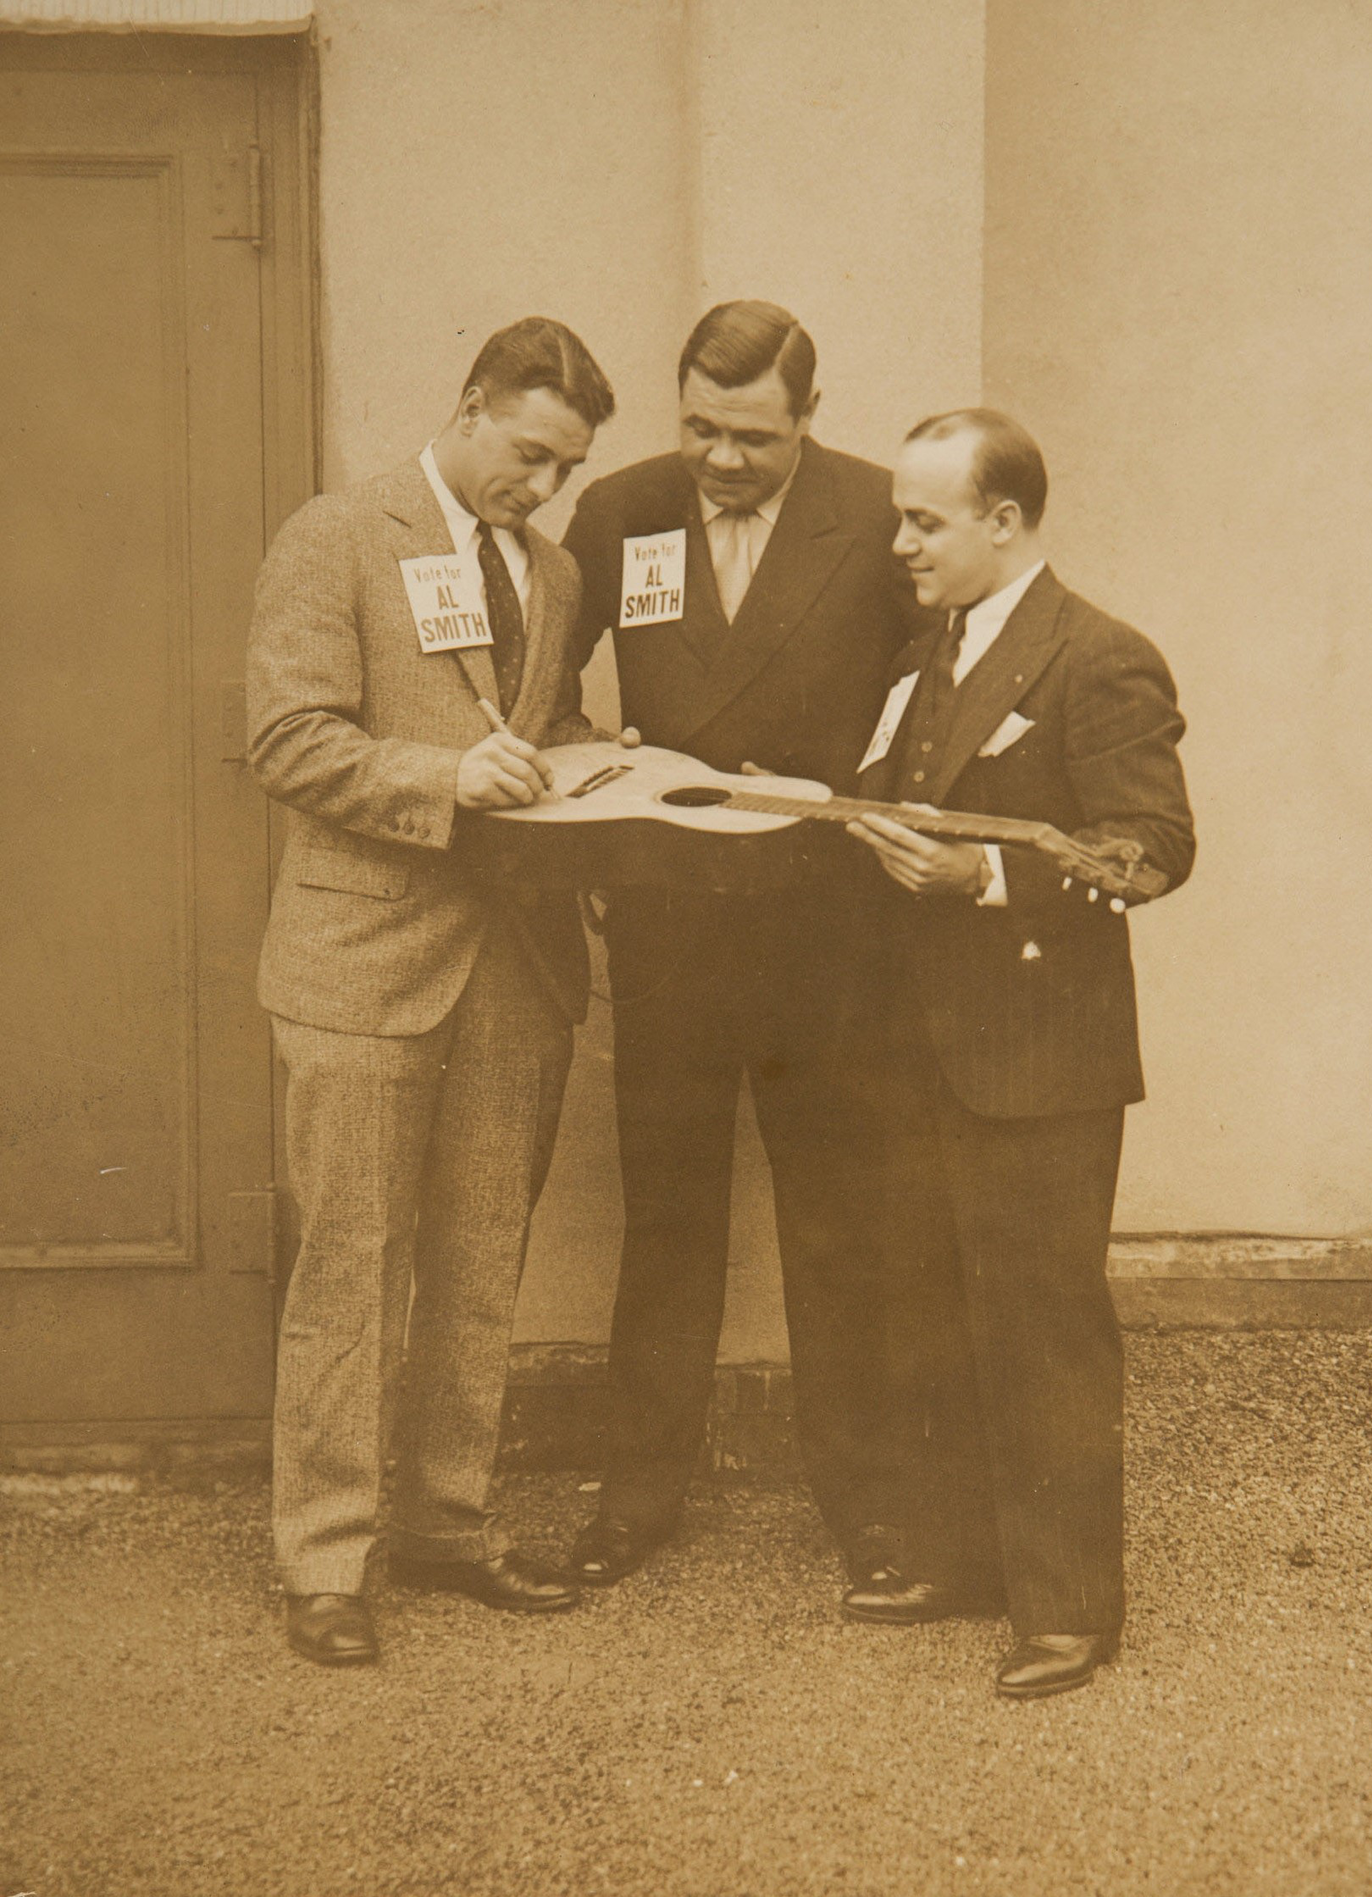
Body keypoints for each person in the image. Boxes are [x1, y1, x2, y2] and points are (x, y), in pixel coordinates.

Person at [247, 318, 618, 1666]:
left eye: (566, 469)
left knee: (477, 1269)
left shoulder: (556, 573)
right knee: (351, 1268)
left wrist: (598, 763)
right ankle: (328, 1563)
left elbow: (534, 727)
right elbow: (288, 736)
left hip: (514, 969)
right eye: (529, 454)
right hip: (362, 965)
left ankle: (448, 1525)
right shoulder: (337, 537)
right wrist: (441, 781)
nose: (542, 488)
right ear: (468, 410)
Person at [561, 301, 922, 1589]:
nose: (720, 459)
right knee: (666, 1219)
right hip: (668, 926)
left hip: (829, 935)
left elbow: (935, 700)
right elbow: (548, 693)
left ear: (808, 421)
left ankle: (870, 1509)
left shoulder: (882, 517)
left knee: (839, 1223)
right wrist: (606, 828)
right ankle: (636, 1498)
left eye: (752, 437)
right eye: (701, 427)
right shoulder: (619, 510)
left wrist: (855, 803)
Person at [841, 408, 1195, 1698]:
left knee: (1042, 1327)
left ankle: (1067, 1605)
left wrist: (981, 874)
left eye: (924, 522)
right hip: (919, 1042)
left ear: (1004, 521)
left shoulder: (1100, 657)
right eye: (898, 518)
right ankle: (961, 1560)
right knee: (927, 1309)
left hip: (1040, 1052)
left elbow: (1152, 847)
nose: (900, 543)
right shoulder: (929, 650)